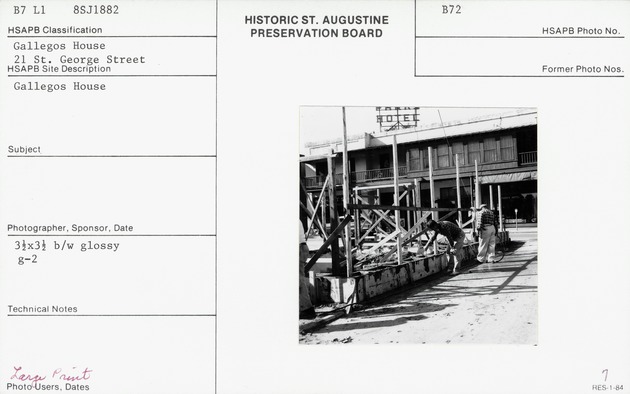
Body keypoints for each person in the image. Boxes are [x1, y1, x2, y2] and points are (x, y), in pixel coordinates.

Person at [299, 221, 316, 319]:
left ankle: (306, 309)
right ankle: (305, 309)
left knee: (298, 280)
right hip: (301, 247)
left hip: (299, 248)